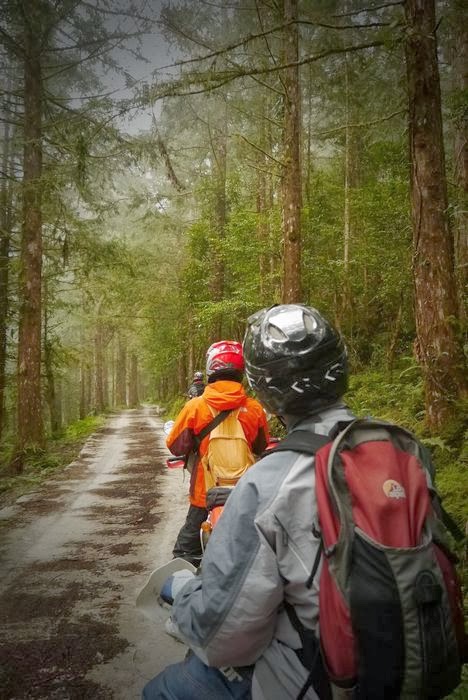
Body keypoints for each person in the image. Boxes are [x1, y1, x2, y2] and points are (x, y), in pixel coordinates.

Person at [143, 304, 353, 699]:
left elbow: (224, 637)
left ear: (267, 385)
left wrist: (185, 596)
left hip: (310, 673)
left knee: (161, 690)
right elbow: (260, 445)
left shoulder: (265, 478)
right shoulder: (398, 452)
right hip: (389, 656)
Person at [166, 340, 270, 566]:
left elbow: (175, 446)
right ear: (241, 369)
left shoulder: (195, 407)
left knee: (184, 554)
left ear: (210, 368)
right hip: (246, 493)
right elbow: (261, 447)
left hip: (205, 496)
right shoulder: (254, 409)